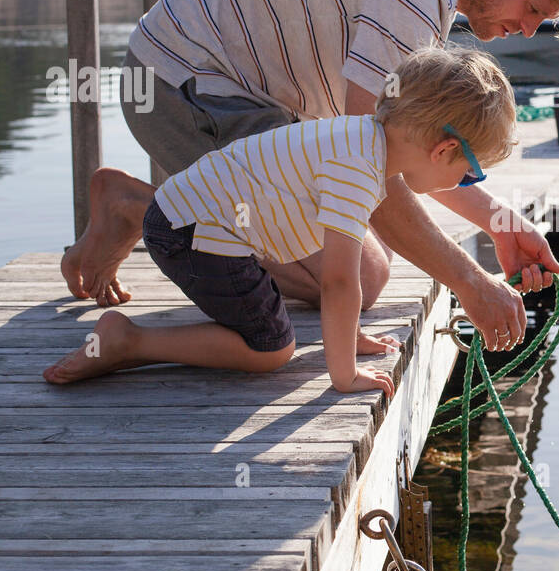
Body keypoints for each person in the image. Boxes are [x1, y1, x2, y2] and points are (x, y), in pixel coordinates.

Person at [63, 0, 559, 352]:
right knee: (361, 276)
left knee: (376, 246)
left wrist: (500, 223)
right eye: (534, 9)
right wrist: (469, 282)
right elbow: (373, 154)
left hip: (225, 90)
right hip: (182, 86)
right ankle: (141, 207)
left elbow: (406, 152)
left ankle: (162, 205)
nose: (530, 31)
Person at [42, 44, 516, 390]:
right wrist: (345, 374)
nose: (465, 184)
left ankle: (129, 333)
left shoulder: (357, 139)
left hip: (192, 219)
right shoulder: (361, 171)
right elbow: (337, 282)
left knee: (274, 330)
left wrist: (351, 334)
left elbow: (329, 261)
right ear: (444, 149)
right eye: (470, 175)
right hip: (194, 236)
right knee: (272, 350)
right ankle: (129, 342)